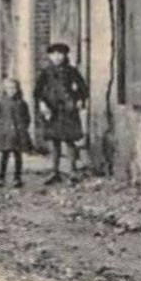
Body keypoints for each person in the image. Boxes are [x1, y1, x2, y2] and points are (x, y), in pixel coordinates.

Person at [34, 41, 89, 185]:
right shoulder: (46, 72)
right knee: (54, 141)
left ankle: (72, 172)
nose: (57, 57)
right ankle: (55, 172)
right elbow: (37, 91)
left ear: (65, 56)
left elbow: (83, 88)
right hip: (52, 110)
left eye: (60, 54)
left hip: (68, 109)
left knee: (70, 140)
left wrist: (79, 99)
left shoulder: (71, 71)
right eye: (54, 54)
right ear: (50, 56)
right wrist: (42, 104)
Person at [0, 76, 32, 189]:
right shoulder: (0, 103)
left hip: (18, 133)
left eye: (13, 88)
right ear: (4, 89)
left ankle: (17, 178)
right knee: (5, 155)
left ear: (17, 89)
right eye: (8, 88)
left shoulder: (22, 103)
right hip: (5, 133)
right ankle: (1, 178)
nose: (11, 91)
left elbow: (27, 118)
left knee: (18, 156)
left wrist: (22, 129)